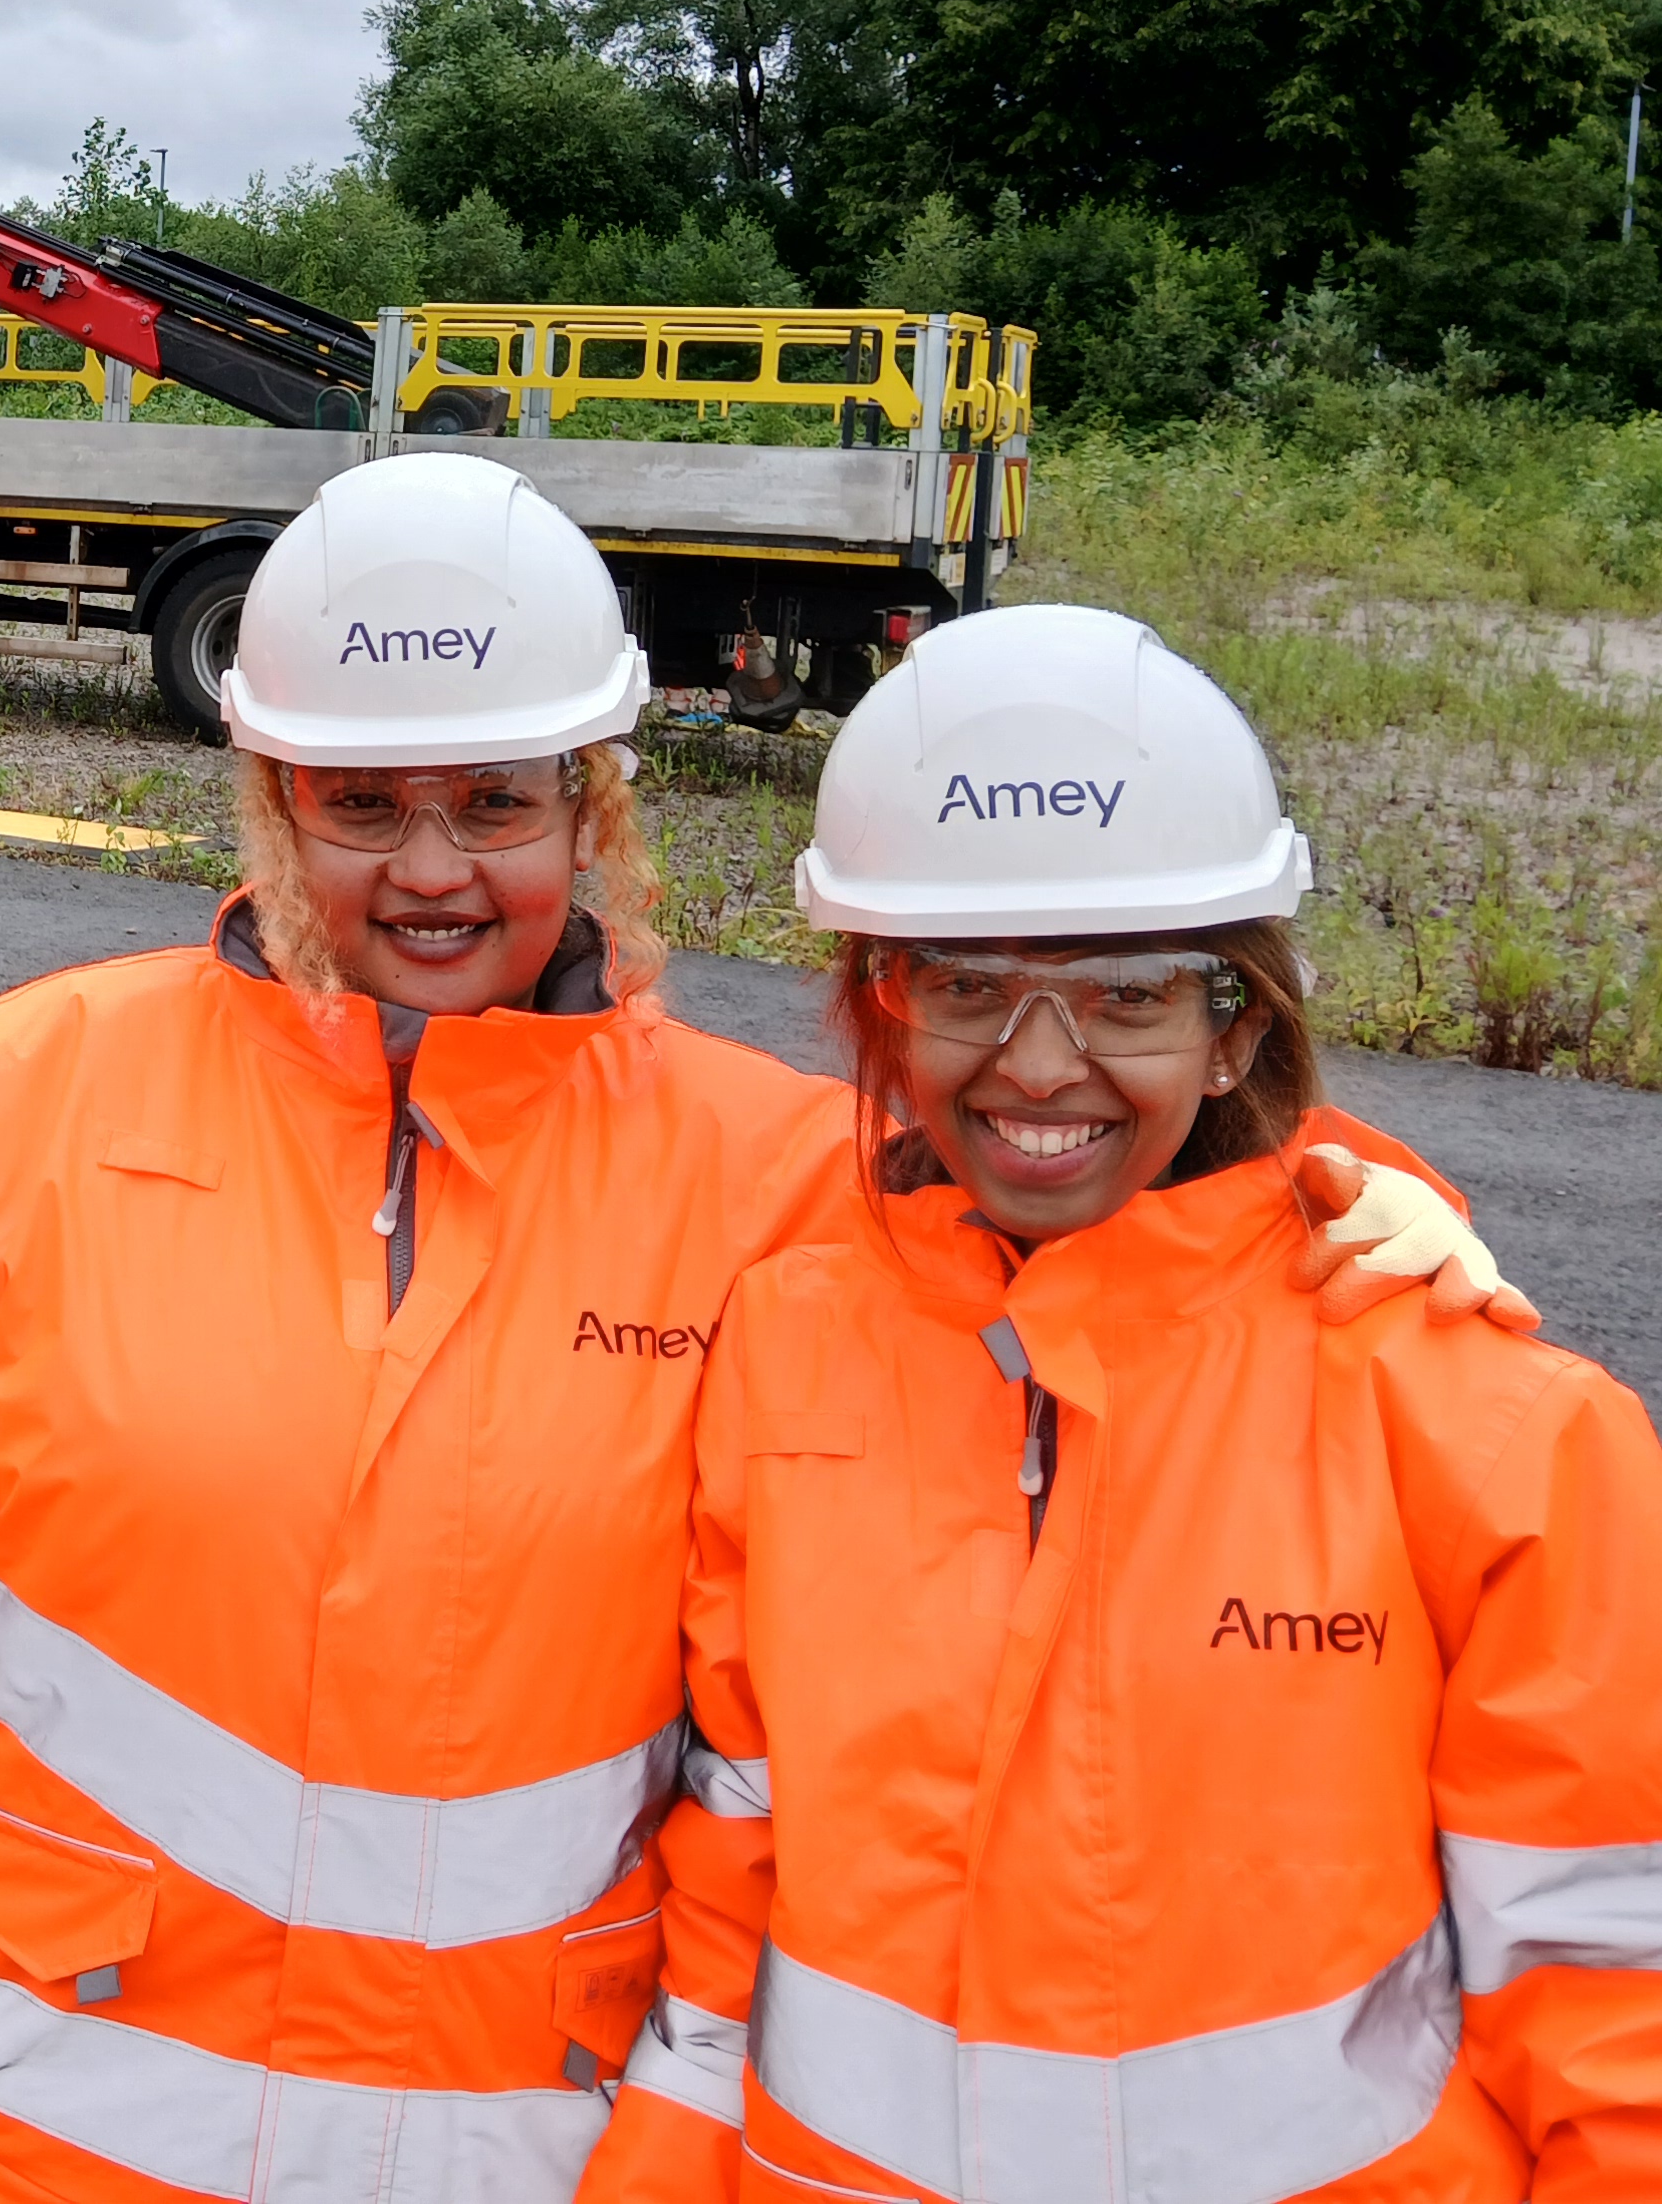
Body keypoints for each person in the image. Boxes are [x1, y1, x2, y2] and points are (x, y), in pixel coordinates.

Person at [0, 456, 1515, 2203]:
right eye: (364, 805)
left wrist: (1348, 1182)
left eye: (498, 801)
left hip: (509, 2129)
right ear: (268, 793)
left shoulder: (769, 1174)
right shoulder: (19, 1100)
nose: (433, 871)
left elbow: (1084, 1134)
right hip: (55, 2094)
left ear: (594, 805)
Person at [580, 604, 1654, 2203]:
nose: (1036, 1067)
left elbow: (1606, 1984)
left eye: (1129, 995)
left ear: (1238, 1029)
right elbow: (737, 1845)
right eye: (965, 983)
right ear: (882, 1000)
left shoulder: (1493, 1430)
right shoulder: (788, 1349)